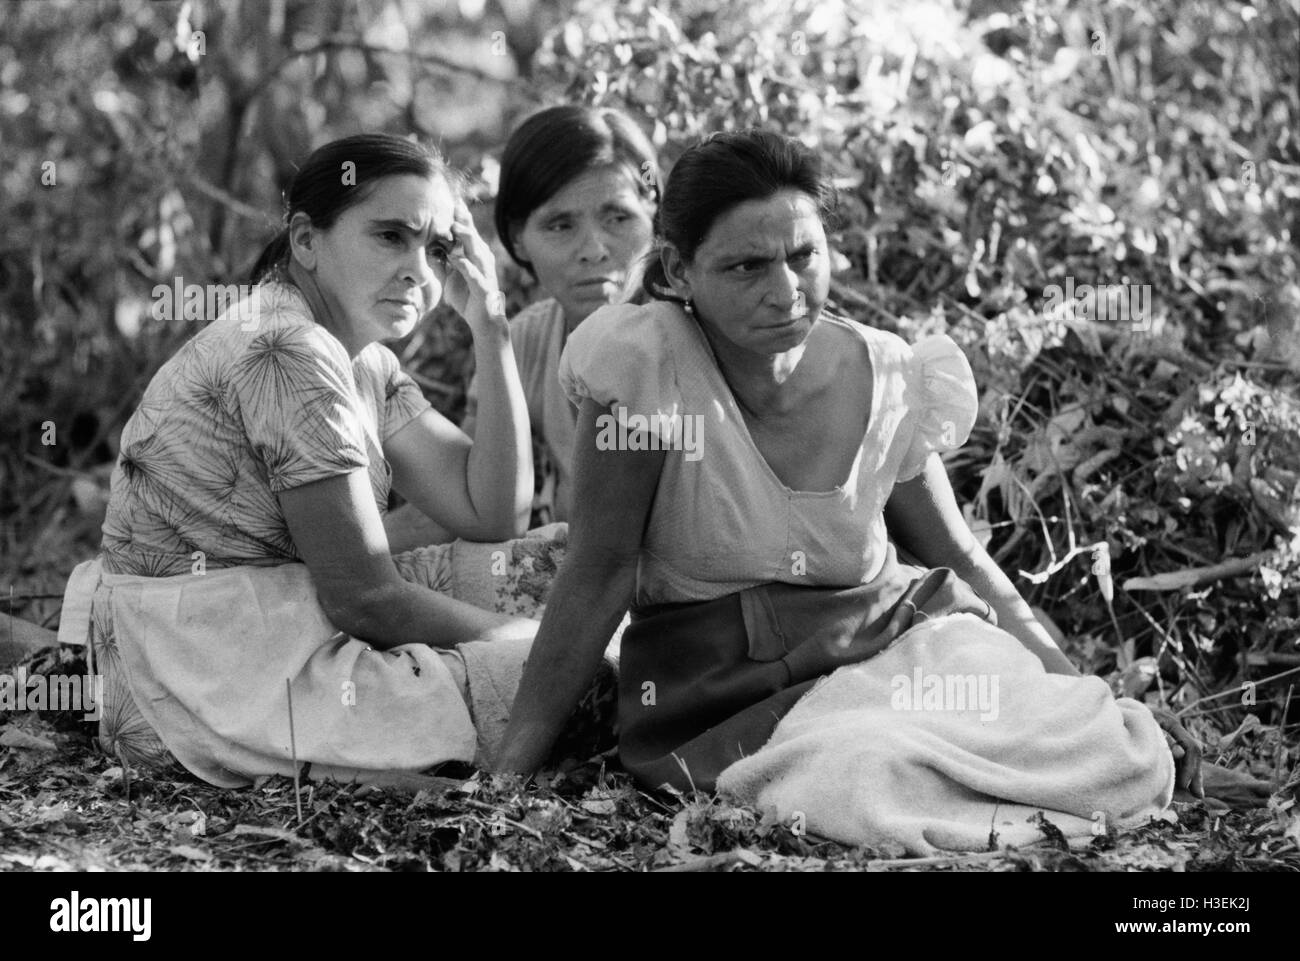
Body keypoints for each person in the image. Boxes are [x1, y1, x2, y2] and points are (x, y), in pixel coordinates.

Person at [491, 129, 1204, 851]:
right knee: (859, 777)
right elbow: (597, 569)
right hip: (727, 695)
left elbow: (954, 554)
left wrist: (1081, 691)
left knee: (1109, 748)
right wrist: (507, 772)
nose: (786, 291)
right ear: (679, 269)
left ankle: (1016, 789)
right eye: (746, 266)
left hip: (899, 642)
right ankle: (982, 808)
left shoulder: (890, 373)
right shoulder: (646, 369)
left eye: (804, 255)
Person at [68, 133, 555, 787]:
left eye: (437, 248)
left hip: (290, 613)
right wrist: (543, 646)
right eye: (392, 236)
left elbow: (494, 511)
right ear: (305, 240)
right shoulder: (290, 347)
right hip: (209, 655)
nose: (421, 269)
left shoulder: (364, 360)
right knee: (566, 680)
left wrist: (491, 325)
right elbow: (368, 602)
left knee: (554, 563)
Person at [465, 105, 658, 525]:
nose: (593, 248)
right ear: (518, 239)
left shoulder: (701, 336)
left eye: (618, 217)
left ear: (654, 215)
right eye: (559, 225)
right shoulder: (522, 343)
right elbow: (463, 498)